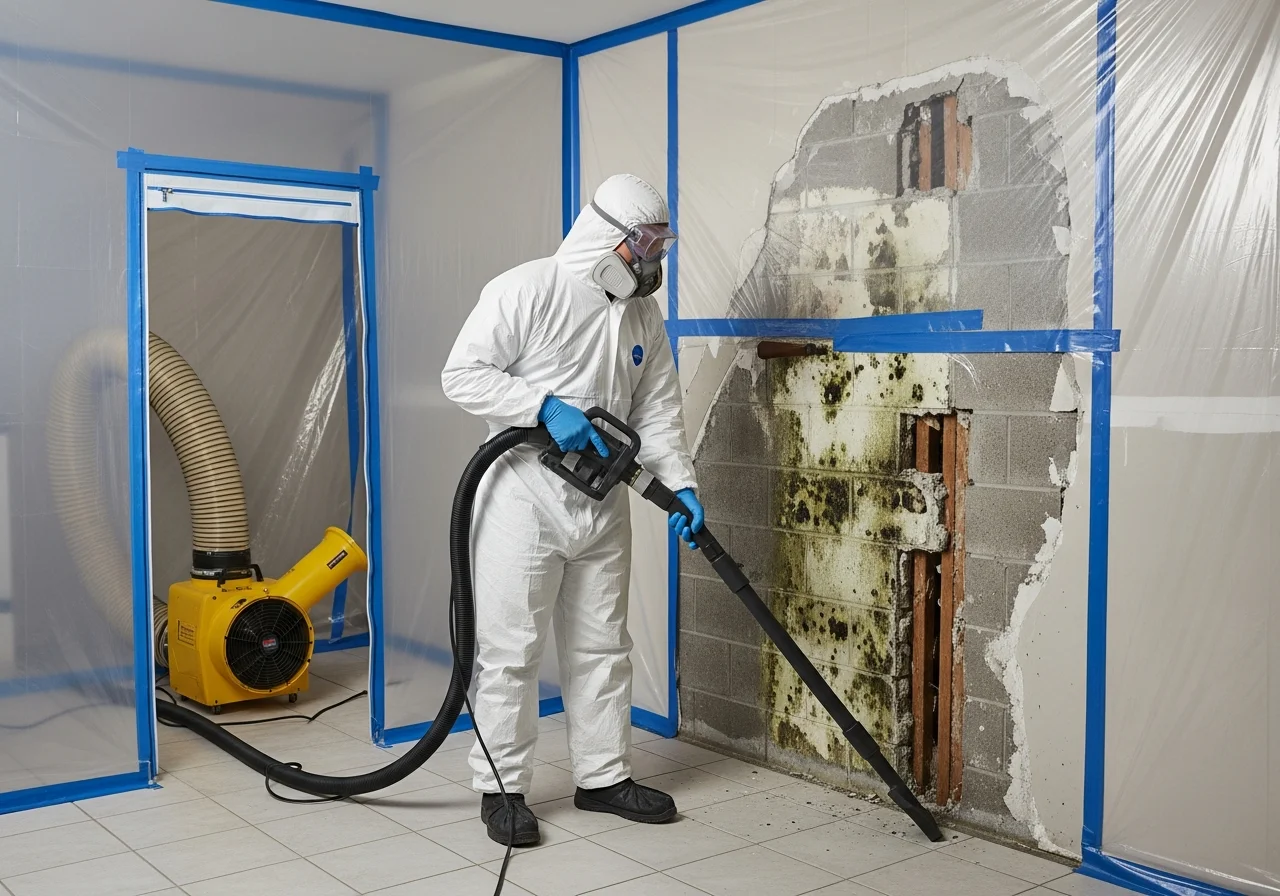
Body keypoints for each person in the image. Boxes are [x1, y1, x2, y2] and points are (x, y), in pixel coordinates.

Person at [441, 174, 705, 846]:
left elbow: (658, 409)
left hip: (601, 500)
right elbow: (462, 373)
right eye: (640, 248)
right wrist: (541, 408)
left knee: (602, 648)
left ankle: (604, 777)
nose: (650, 264)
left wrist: (681, 485)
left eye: (657, 249)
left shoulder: (642, 316)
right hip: (521, 499)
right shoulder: (527, 289)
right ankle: (502, 789)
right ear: (603, 236)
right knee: (509, 652)